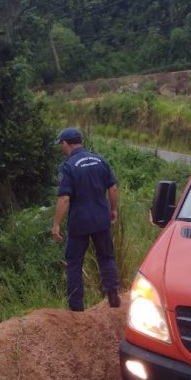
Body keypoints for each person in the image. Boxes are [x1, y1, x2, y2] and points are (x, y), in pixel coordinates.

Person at [51, 127, 121, 311]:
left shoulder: (68, 166)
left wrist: (56, 224)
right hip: (101, 219)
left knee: (74, 262)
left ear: (66, 143)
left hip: (79, 222)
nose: (61, 148)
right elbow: (113, 188)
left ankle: (76, 307)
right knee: (106, 256)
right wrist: (113, 210)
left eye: (61, 144)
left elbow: (64, 198)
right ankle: (112, 291)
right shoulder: (100, 160)